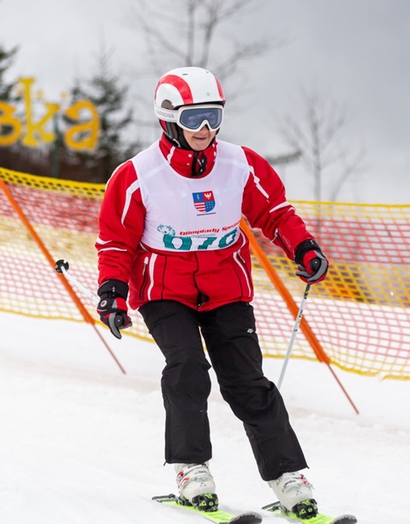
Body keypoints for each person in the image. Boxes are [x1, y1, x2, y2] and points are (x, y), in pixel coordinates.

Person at [93, 66, 329, 519]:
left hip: (226, 288)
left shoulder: (241, 165)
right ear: (168, 116)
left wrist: (303, 247)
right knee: (187, 368)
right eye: (195, 117)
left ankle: (288, 478)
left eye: (214, 116)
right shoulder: (137, 175)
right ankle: (190, 469)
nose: (205, 129)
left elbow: (275, 213)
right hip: (164, 290)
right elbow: (116, 241)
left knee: (247, 383)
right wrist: (113, 293)